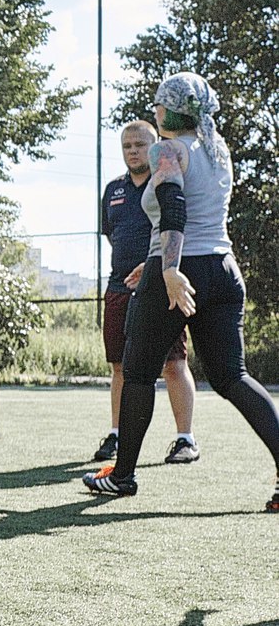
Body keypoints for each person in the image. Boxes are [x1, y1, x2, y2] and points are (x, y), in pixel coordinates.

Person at [83, 73, 279, 511]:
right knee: (233, 376)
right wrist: (151, 264)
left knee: (136, 373)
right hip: (222, 269)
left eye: (158, 104)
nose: (154, 111)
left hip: (179, 269)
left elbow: (174, 209)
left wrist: (168, 269)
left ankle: (124, 476)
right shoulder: (217, 150)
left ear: (170, 109)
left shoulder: (166, 148)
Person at [93, 119, 198, 465]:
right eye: (127, 146)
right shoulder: (112, 190)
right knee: (121, 367)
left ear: (154, 145)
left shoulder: (166, 180)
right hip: (119, 288)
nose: (134, 151)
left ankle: (185, 439)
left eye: (140, 144)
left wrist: (157, 271)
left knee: (173, 363)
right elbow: (111, 234)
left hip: (159, 286)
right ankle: (117, 434)